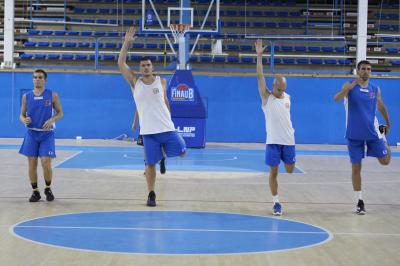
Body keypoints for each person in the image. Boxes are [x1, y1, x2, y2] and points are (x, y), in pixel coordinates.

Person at [118, 26, 186, 207]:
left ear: (152, 67)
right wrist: (126, 43)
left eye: (148, 65)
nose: (146, 67)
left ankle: (162, 154)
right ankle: (151, 194)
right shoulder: (135, 81)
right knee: (149, 165)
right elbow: (121, 64)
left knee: (182, 152)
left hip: (167, 128)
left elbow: (165, 101)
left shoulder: (161, 81)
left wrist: (171, 118)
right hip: (148, 132)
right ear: (139, 68)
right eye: (143, 65)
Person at [334, 60, 391, 215]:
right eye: (363, 69)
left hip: (372, 132)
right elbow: (336, 98)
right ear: (358, 71)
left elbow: (380, 106)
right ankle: (360, 201)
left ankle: (384, 139)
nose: (366, 71)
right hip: (354, 135)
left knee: (385, 161)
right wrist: (349, 88)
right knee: (356, 167)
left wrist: (387, 122)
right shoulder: (349, 86)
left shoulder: (375, 89)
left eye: (369, 69)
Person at [255, 39, 296, 216]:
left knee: (290, 169)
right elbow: (260, 77)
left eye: (283, 89)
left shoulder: (288, 97)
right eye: (279, 89)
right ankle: (276, 202)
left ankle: (290, 161)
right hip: (272, 142)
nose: (281, 92)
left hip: (289, 141)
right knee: (274, 172)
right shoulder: (267, 98)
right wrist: (259, 56)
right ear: (274, 86)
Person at [19, 69, 63, 202]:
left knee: (45, 162)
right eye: (35, 77)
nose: (37, 79)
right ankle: (35, 191)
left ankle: (48, 188)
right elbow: (21, 115)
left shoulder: (52, 95)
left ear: (45, 80)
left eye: (40, 77)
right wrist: (23, 120)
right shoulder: (26, 96)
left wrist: (51, 120)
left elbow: (60, 113)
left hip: (46, 135)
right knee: (32, 163)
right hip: (32, 133)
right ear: (32, 79)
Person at [132, 110, 166, 175]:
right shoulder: (141, 101)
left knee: (151, 146)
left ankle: (161, 159)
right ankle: (147, 168)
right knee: (146, 147)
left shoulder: (160, 100)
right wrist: (134, 122)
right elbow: (138, 109)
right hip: (145, 125)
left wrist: (134, 123)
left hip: (154, 125)